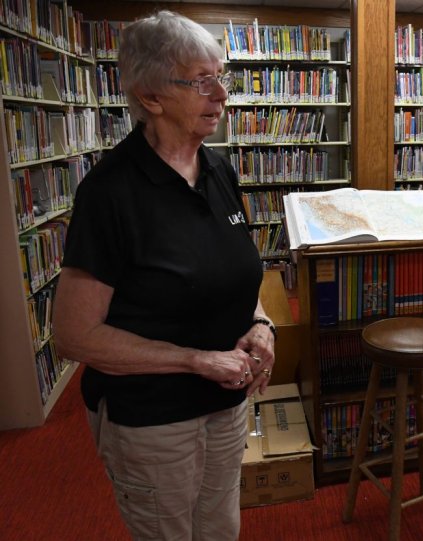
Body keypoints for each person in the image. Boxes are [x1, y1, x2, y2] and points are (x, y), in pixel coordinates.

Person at [52, 11, 276, 540]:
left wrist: (263, 325)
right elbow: (74, 335)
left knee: (220, 528)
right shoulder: (110, 193)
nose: (221, 93)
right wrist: (194, 360)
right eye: (202, 81)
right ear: (150, 96)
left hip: (227, 402)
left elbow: (240, 273)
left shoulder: (219, 168)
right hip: (153, 418)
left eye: (223, 77)